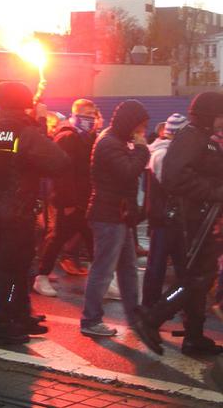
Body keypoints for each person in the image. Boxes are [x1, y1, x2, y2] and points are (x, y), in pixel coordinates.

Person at [0, 82, 69, 345]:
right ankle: (5, 322)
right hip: (18, 210)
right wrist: (39, 127)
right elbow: (59, 162)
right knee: (13, 270)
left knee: (13, 268)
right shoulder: (25, 131)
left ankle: (18, 315)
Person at [135, 92, 223, 355]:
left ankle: (194, 336)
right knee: (197, 278)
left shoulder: (203, 138)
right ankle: (152, 318)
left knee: (199, 277)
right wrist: (216, 192)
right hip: (194, 220)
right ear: (211, 115)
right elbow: (175, 177)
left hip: (203, 218)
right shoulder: (192, 137)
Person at [80, 100, 150, 337]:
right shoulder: (110, 143)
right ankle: (90, 320)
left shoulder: (117, 140)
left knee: (128, 268)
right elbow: (128, 173)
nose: (141, 131)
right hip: (108, 215)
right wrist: (142, 149)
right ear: (130, 123)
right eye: (140, 126)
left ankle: (134, 316)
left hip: (118, 215)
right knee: (103, 269)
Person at [33, 99, 97, 297]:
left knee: (92, 239)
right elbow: (62, 172)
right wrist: (68, 202)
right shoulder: (68, 137)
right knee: (58, 237)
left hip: (85, 199)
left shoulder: (87, 138)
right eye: (86, 113)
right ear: (75, 114)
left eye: (93, 113)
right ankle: (41, 276)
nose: (90, 117)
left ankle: (101, 279)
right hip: (70, 201)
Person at [141, 113, 189, 308]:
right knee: (157, 268)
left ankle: (174, 306)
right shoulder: (161, 154)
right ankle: (150, 308)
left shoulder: (167, 153)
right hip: (164, 219)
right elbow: (173, 184)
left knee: (181, 269)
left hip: (171, 218)